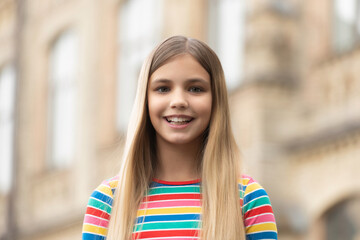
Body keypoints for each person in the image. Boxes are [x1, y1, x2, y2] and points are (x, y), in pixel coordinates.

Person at [82, 35, 278, 240]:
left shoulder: (248, 199)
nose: (178, 101)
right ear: (145, 100)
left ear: (215, 100)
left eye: (195, 89)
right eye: (163, 88)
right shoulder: (106, 202)